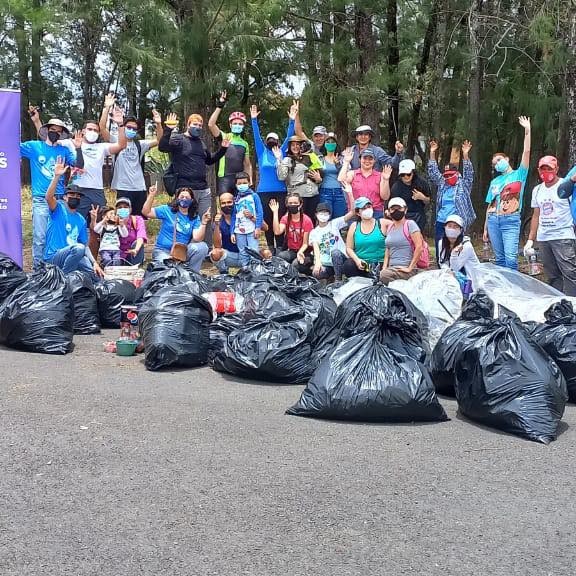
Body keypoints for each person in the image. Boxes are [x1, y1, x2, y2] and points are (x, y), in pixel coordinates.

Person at [158, 111, 230, 246]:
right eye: (195, 124)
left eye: (200, 125)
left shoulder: (201, 143)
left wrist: (223, 149)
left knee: (206, 218)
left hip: (203, 188)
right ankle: (182, 248)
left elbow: (210, 160)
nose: (198, 127)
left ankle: (206, 249)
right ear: (188, 125)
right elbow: (162, 147)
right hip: (185, 189)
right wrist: (168, 129)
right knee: (185, 218)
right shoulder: (179, 139)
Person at [20, 111, 81, 268]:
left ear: (61, 135)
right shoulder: (34, 147)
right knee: (40, 236)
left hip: (59, 200)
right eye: (52, 130)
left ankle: (54, 268)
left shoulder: (64, 150)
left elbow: (78, 166)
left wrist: (79, 148)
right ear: (46, 131)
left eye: (58, 132)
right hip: (41, 199)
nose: (55, 133)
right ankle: (37, 270)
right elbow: (10, 146)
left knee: (57, 236)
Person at [98, 93, 163, 215]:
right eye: (129, 127)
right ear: (124, 126)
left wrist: (159, 124)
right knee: (123, 218)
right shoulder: (115, 141)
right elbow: (102, 128)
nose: (131, 130)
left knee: (139, 219)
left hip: (140, 187)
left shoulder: (140, 145)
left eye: (134, 129)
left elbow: (159, 140)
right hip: (123, 187)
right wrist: (106, 108)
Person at [483, 116, 532, 270]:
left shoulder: (519, 174)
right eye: (494, 163)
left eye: (499, 160)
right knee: (500, 259)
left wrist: (527, 130)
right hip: (493, 220)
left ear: (507, 159)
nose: (497, 164)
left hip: (510, 219)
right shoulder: (494, 182)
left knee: (511, 259)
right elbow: (490, 204)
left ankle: (514, 289)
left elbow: (527, 151)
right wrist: (485, 228)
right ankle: (503, 290)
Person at [43, 158, 104, 278]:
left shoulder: (80, 219)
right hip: (54, 257)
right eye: (72, 195)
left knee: (95, 274)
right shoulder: (59, 209)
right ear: (65, 197)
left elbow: (85, 246)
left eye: (77, 196)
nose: (75, 197)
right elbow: (49, 197)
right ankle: (64, 279)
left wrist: (95, 263)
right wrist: (56, 177)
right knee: (78, 248)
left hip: (73, 256)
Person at [524, 156, 576, 295]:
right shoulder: (537, 190)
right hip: (544, 237)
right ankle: (557, 303)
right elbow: (536, 215)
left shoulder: (566, 185)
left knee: (570, 273)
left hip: (563, 236)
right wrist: (530, 239)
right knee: (552, 274)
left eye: (550, 168)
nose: (546, 172)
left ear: (557, 169)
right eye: (543, 169)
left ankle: (573, 304)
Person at [250, 102, 297, 249]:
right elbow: (256, 137)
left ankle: (281, 246)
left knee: (281, 218)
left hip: (281, 191)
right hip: (264, 191)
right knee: (268, 220)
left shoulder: (281, 151)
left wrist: (292, 120)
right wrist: (253, 120)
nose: (272, 141)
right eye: (269, 139)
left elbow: (289, 136)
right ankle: (270, 246)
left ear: (277, 141)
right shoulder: (262, 152)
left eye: (274, 139)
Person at [74, 106, 127, 221]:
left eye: (96, 130)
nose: (92, 132)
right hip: (77, 189)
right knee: (76, 221)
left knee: (101, 221)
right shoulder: (72, 143)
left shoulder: (102, 147)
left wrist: (120, 125)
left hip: (97, 190)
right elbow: (49, 140)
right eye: (90, 129)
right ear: (83, 131)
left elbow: (122, 145)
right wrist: (37, 121)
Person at [142, 184, 210, 271]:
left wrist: (203, 223)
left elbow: (197, 238)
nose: (184, 199)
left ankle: (193, 274)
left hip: (182, 252)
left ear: (192, 200)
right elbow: (146, 212)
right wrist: (151, 195)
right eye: (182, 197)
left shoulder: (194, 217)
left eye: (187, 197)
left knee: (203, 247)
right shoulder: (167, 210)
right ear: (177, 198)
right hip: (163, 251)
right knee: (170, 269)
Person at [427, 139, 475, 260]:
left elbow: (469, 173)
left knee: (458, 251)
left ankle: (458, 273)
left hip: (457, 222)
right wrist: (432, 153)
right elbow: (433, 173)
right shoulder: (443, 184)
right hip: (442, 222)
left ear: (457, 173)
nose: (448, 177)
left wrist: (465, 154)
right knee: (440, 249)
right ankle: (442, 269)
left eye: (450, 175)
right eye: (446, 175)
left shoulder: (464, 184)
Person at [208, 91, 253, 193]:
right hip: (225, 178)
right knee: (226, 205)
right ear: (230, 125)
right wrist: (220, 105)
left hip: (240, 179)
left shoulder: (244, 143)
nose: (237, 125)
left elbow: (247, 165)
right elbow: (211, 125)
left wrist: (250, 180)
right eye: (235, 123)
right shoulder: (225, 136)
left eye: (240, 124)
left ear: (243, 126)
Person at [309, 185, 356, 282]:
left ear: (330, 215)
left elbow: (352, 212)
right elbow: (316, 248)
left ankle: (338, 280)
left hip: (341, 259)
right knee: (316, 273)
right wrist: (318, 263)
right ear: (316, 215)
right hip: (326, 263)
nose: (323, 215)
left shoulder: (335, 223)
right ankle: (329, 278)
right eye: (321, 213)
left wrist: (350, 193)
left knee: (335, 253)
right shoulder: (314, 232)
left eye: (326, 213)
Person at [275, 135, 323, 220]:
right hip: (298, 196)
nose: (295, 147)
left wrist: (319, 179)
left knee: (311, 221)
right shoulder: (288, 160)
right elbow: (282, 177)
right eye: (293, 145)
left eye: (298, 144)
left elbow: (319, 174)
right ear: (290, 147)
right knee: (299, 221)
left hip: (313, 194)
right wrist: (279, 160)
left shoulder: (310, 157)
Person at [379, 197, 425, 284]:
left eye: (399, 208)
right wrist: (385, 267)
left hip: (406, 268)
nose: (396, 211)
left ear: (405, 210)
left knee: (384, 276)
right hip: (391, 268)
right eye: (393, 209)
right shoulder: (390, 227)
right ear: (389, 211)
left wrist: (409, 268)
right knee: (382, 275)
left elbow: (419, 247)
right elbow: (388, 249)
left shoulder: (410, 224)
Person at [343, 197, 390, 278]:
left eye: (369, 207)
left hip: (380, 263)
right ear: (358, 213)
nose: (367, 210)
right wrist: (357, 260)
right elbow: (349, 248)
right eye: (363, 208)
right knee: (348, 265)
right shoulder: (354, 226)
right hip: (363, 264)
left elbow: (398, 226)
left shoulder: (382, 223)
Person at [339, 148, 391, 218]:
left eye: (370, 159)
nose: (367, 161)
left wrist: (386, 180)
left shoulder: (380, 175)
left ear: (374, 161)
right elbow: (341, 180)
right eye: (365, 158)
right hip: (356, 211)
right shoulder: (353, 174)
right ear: (360, 159)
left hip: (375, 211)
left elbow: (385, 197)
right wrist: (346, 162)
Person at [386, 158, 431, 232]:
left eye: (408, 174)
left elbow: (428, 201)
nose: (406, 176)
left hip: (419, 216)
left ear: (413, 172)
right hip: (401, 216)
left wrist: (422, 197)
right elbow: (391, 202)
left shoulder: (422, 183)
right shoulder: (396, 187)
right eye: (403, 175)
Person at [438, 214, 480, 293]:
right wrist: (447, 271)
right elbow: (442, 262)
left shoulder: (466, 246)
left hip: (469, 281)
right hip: (452, 278)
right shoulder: (441, 243)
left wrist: (454, 254)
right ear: (445, 227)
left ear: (460, 230)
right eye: (449, 226)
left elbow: (455, 268)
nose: (451, 229)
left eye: (455, 227)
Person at [230, 172, 264, 267]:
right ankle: (245, 271)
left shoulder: (254, 196)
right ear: (236, 185)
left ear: (249, 183)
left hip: (252, 229)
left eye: (244, 183)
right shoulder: (236, 198)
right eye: (239, 184)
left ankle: (256, 271)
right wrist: (232, 232)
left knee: (253, 251)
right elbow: (234, 216)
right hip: (239, 231)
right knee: (243, 252)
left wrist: (257, 227)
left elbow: (260, 212)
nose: (242, 185)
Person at [270, 193, 314, 265]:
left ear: (300, 204)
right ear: (287, 205)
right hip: (292, 251)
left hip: (305, 251)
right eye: (290, 203)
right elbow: (277, 232)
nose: (293, 205)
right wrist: (275, 212)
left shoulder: (307, 220)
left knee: (296, 264)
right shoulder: (285, 218)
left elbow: (305, 243)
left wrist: (300, 252)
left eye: (295, 203)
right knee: (281, 257)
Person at [210, 192, 242, 272]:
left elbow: (265, 228)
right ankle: (224, 274)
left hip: (246, 255)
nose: (226, 205)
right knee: (215, 253)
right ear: (219, 205)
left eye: (229, 202)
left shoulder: (242, 214)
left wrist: (253, 216)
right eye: (223, 203)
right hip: (229, 256)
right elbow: (217, 245)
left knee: (265, 253)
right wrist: (217, 225)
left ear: (234, 202)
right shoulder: (219, 220)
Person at [318, 132, 347, 218]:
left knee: (339, 218)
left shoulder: (343, 159)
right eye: (328, 141)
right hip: (325, 191)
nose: (330, 143)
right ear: (324, 144)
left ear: (336, 144)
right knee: (325, 217)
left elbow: (345, 175)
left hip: (340, 192)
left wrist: (338, 165)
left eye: (332, 141)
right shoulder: (320, 159)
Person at [114, 197, 148, 265]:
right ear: (116, 210)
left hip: (133, 252)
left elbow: (141, 237)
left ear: (130, 209)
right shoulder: (112, 221)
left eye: (126, 207)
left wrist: (136, 249)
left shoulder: (137, 219)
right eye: (120, 207)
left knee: (137, 243)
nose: (123, 209)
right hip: (117, 253)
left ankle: (136, 266)